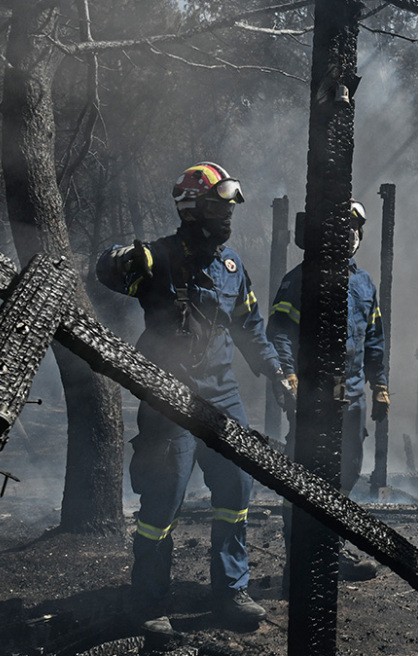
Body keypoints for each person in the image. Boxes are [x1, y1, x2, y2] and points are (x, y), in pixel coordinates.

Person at [96, 162, 291, 633]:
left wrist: (279, 374)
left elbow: (249, 328)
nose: (226, 217)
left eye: (228, 209)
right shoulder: (158, 257)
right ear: (192, 208)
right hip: (169, 393)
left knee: (236, 489)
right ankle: (147, 604)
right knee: (163, 499)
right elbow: (107, 271)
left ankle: (230, 593)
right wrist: (123, 257)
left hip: (222, 394)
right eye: (218, 207)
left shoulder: (231, 265)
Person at [267, 199, 389, 581]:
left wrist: (380, 384)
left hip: (350, 396)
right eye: (342, 227)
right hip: (311, 395)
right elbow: (280, 334)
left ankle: (331, 552)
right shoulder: (298, 279)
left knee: (347, 472)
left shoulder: (364, 283)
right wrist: (288, 376)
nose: (349, 234)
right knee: (303, 476)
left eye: (354, 227)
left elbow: (373, 339)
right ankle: (297, 562)